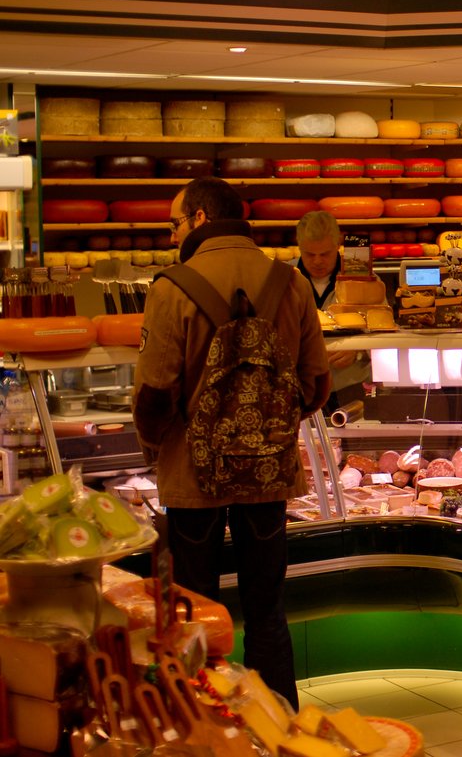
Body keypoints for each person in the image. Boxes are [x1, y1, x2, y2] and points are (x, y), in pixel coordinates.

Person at [133, 176, 330, 708]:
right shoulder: (290, 284)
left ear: (199, 219)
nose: (172, 235)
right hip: (268, 475)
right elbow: (315, 385)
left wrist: (158, 447)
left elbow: (154, 394)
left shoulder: (171, 287)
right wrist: (265, 428)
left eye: (175, 223)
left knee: (195, 609)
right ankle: (279, 721)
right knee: (266, 607)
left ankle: (201, 720)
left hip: (193, 478)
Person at [293, 210, 384, 410]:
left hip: (351, 390)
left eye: (325, 254)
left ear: (338, 246)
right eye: (309, 254)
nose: (317, 261)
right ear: (299, 247)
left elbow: (387, 335)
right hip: (297, 390)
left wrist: (359, 351)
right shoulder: (284, 279)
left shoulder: (367, 281)